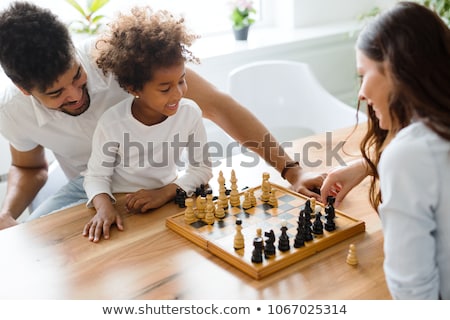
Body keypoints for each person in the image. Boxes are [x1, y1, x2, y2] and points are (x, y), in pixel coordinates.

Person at [0, 1, 324, 231]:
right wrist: (7, 213)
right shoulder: (12, 111)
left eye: (76, 76)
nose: (73, 94)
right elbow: (29, 169)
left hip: (158, 179)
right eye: (55, 94)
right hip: (90, 188)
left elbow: (219, 106)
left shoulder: (118, 57)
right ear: (24, 89)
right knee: (30, 241)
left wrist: (291, 170)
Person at [322, 1, 450, 299]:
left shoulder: (411, 156)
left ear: (397, 69)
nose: (361, 93)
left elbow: (413, 295)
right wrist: (368, 165)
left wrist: (392, 161)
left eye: (363, 74)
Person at [82, 6, 213, 242]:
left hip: (167, 201)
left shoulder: (189, 113)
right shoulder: (112, 123)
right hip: (124, 205)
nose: (178, 94)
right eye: (165, 89)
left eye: (182, 81)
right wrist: (104, 207)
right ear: (133, 89)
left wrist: (164, 193)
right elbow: (96, 177)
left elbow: (201, 168)